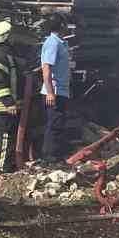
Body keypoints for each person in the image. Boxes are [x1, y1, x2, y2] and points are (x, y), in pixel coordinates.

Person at [0, 20, 23, 171]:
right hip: (2, 106)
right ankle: (2, 170)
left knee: (7, 136)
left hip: (6, 106)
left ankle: (7, 165)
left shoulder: (3, 55)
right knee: (6, 137)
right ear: (5, 37)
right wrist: (9, 102)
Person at [39, 13, 72, 162]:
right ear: (61, 26)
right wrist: (50, 93)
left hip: (62, 91)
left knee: (58, 124)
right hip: (54, 91)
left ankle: (56, 156)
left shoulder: (61, 42)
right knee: (54, 125)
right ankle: (49, 158)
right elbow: (46, 69)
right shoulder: (53, 43)